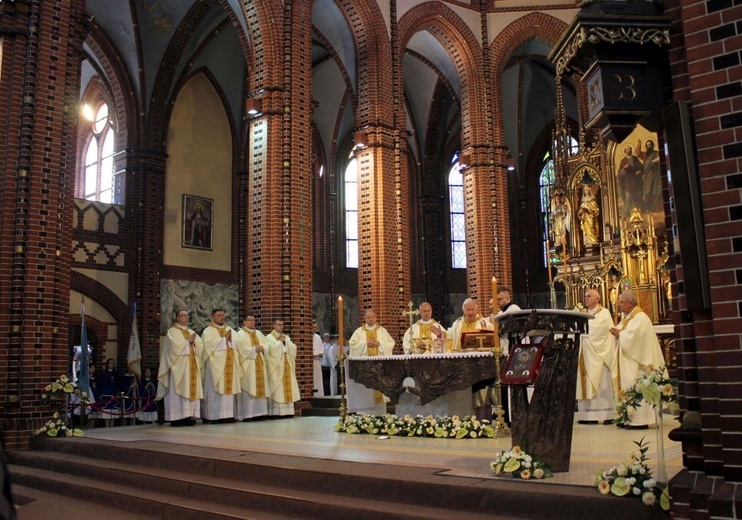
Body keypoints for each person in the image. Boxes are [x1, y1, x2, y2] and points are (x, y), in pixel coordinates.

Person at [610, 291, 667, 428]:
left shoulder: (640, 317)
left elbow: (636, 337)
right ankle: (627, 417)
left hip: (638, 363)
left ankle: (640, 420)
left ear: (630, 303)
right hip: (628, 361)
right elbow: (623, 330)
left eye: (621, 302)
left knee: (636, 385)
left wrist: (620, 334)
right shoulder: (628, 317)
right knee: (627, 386)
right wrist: (616, 331)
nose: (619, 305)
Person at [156, 309, 203, 426]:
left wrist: (194, 344)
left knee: (190, 391)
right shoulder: (172, 332)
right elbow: (173, 348)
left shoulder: (192, 332)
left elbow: (201, 348)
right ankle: (177, 418)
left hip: (192, 367)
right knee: (178, 393)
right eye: (182, 315)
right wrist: (187, 342)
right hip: (178, 369)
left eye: (186, 316)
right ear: (177, 318)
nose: (185, 318)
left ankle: (189, 417)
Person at [576, 289, 615, 424]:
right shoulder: (585, 313)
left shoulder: (604, 313)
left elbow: (604, 331)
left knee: (600, 382)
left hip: (599, 354)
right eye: (585, 296)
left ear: (597, 299)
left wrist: (585, 332)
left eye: (589, 296)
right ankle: (587, 417)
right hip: (585, 354)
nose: (586, 298)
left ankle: (605, 415)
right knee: (584, 382)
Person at [201, 308, 241, 423]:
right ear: (212, 317)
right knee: (214, 390)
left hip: (229, 363)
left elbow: (238, 344)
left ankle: (228, 415)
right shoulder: (208, 331)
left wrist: (232, 339)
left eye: (223, 315)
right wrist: (224, 339)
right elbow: (208, 346)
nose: (222, 317)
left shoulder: (229, 329)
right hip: (215, 365)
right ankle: (212, 416)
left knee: (228, 390)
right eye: (219, 315)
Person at [233, 315, 269, 421]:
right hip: (248, 365)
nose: (252, 322)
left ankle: (260, 413)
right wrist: (253, 349)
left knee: (259, 387)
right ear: (244, 322)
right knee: (249, 387)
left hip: (259, 363)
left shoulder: (258, 333)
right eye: (250, 320)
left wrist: (263, 348)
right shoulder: (239, 334)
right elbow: (240, 348)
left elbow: (267, 345)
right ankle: (248, 415)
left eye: (254, 320)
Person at [264, 319, 300, 417]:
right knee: (277, 388)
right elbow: (269, 351)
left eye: (282, 325)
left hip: (287, 366)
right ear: (273, 325)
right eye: (278, 324)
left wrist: (286, 344)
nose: (281, 327)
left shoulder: (286, 337)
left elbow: (293, 348)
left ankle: (288, 412)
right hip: (276, 368)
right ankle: (276, 413)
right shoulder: (268, 337)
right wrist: (280, 343)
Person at [618, 144, 644, 217]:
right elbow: (620, 173)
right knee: (628, 196)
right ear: (625, 151)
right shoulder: (623, 161)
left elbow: (641, 167)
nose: (629, 150)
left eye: (630, 149)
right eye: (627, 149)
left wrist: (640, 171)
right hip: (628, 182)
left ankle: (639, 210)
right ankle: (629, 211)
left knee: (637, 195)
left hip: (636, 181)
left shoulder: (635, 158)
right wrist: (623, 169)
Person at [636, 138, 662, 211]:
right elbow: (638, 153)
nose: (648, 146)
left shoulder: (656, 153)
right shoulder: (645, 155)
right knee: (647, 192)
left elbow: (660, 158)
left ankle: (654, 208)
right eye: (647, 145)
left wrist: (655, 160)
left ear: (653, 145)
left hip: (655, 176)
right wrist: (639, 144)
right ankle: (647, 208)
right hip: (647, 177)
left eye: (650, 145)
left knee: (655, 191)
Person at [97, 358, 120, 427]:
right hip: (107, 396)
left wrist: (115, 394)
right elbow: (103, 385)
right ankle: (106, 427)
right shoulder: (103, 374)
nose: (112, 364)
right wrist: (109, 395)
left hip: (114, 395)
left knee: (113, 414)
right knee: (107, 413)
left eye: (113, 363)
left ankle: (111, 427)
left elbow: (117, 385)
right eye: (110, 363)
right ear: (107, 364)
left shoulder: (116, 374)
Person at [312, 320, 325, 396]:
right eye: (313, 327)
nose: (314, 329)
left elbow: (321, 348)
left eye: (316, 327)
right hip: (310, 362)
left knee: (318, 380)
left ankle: (319, 395)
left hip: (317, 361)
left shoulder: (318, 337)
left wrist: (319, 354)